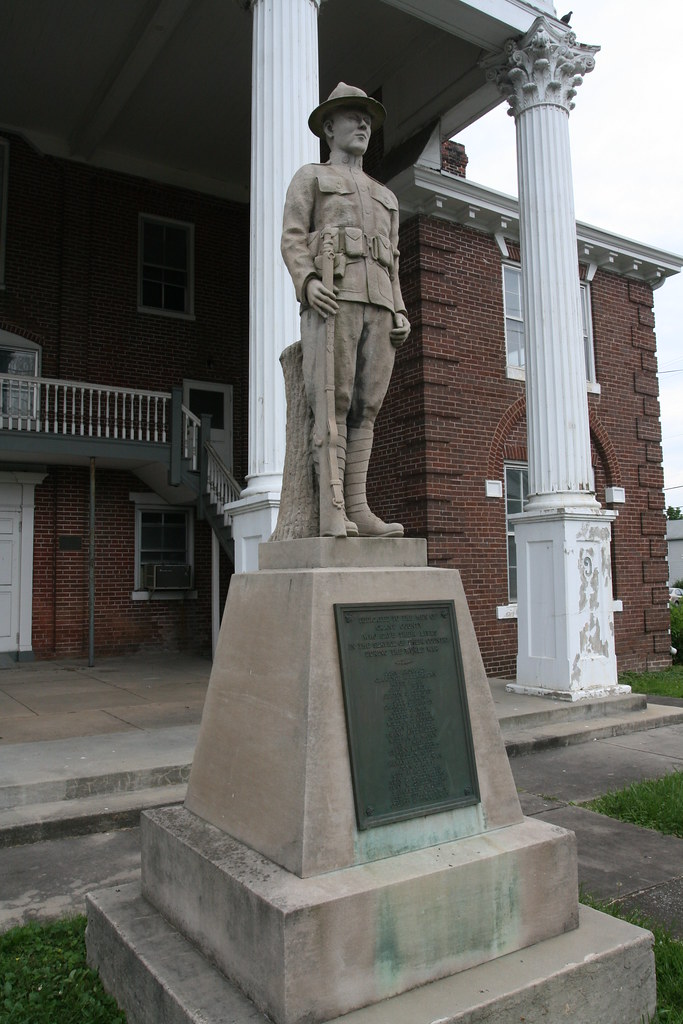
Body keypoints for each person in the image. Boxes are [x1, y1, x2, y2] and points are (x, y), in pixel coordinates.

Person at [281, 82, 410, 538]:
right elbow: (293, 237)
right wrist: (308, 282)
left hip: (378, 305)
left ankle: (358, 505)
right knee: (331, 401)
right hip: (334, 299)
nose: (362, 125)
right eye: (353, 117)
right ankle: (331, 507)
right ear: (329, 127)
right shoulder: (310, 178)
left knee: (366, 407)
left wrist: (398, 309)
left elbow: (391, 257)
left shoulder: (385, 196)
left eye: (368, 120)